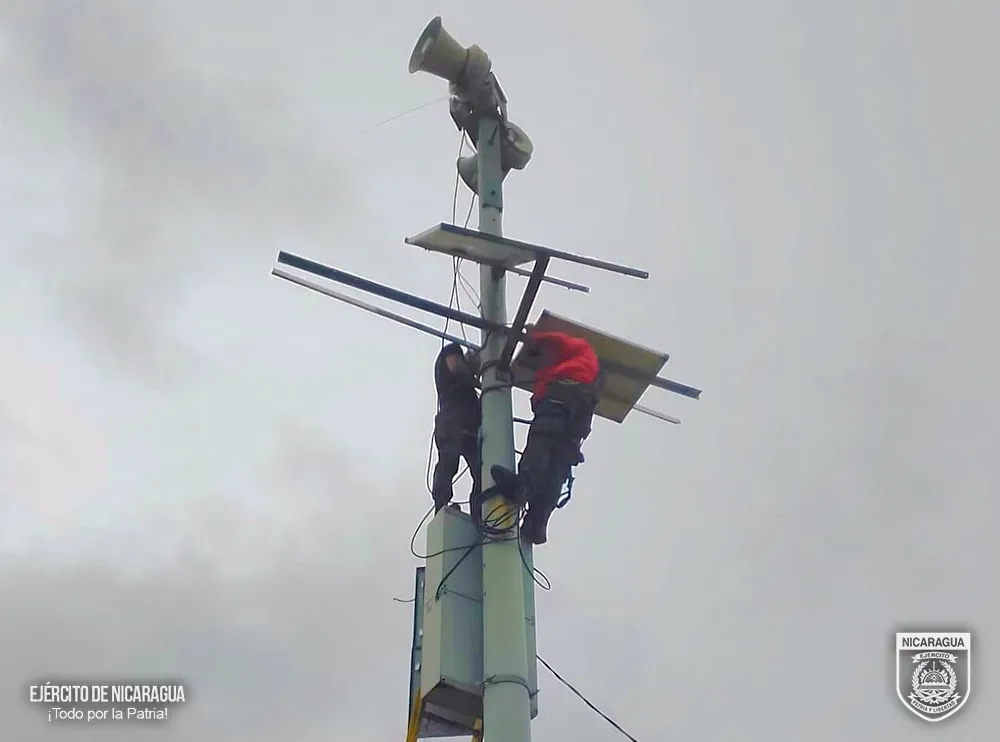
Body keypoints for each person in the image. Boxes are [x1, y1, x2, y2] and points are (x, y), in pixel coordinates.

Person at [491, 325, 600, 545]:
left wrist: (535, 337)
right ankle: (537, 522)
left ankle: (523, 486)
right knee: (557, 464)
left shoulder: (573, 353)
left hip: (561, 396)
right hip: (579, 413)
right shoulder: (585, 371)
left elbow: (557, 341)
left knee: (541, 442)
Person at [431, 342, 482, 516]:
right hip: (452, 420)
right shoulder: (452, 351)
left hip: (471, 426)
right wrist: (474, 372)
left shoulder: (467, 387)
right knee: (448, 462)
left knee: (481, 471)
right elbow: (455, 366)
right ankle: (441, 507)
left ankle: (480, 513)